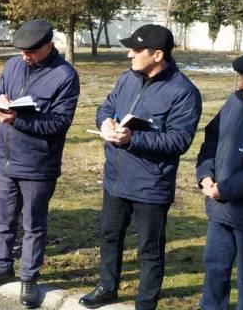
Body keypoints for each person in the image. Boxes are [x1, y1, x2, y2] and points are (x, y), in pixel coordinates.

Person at [79, 24, 202, 309]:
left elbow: (179, 141)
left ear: (157, 55)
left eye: (136, 50)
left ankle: (145, 303)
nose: (128, 55)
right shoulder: (128, 79)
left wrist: (134, 138)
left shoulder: (184, 92)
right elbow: (106, 107)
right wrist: (105, 122)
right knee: (109, 235)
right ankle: (107, 287)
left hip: (151, 185)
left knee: (149, 248)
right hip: (116, 178)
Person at [0, 20, 80, 308]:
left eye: (31, 51)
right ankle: (1, 267)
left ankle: (28, 277)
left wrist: (18, 118)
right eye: (20, 51)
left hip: (38, 164)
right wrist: (0, 100)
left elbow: (60, 122)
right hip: (6, 157)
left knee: (33, 224)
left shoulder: (65, 76)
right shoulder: (12, 65)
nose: (25, 56)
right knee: (3, 219)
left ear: (48, 45)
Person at [195, 51, 243, 310]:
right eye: (241, 78)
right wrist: (205, 175)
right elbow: (211, 139)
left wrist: (226, 189)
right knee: (215, 270)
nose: (241, 84)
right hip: (220, 210)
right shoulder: (235, 101)